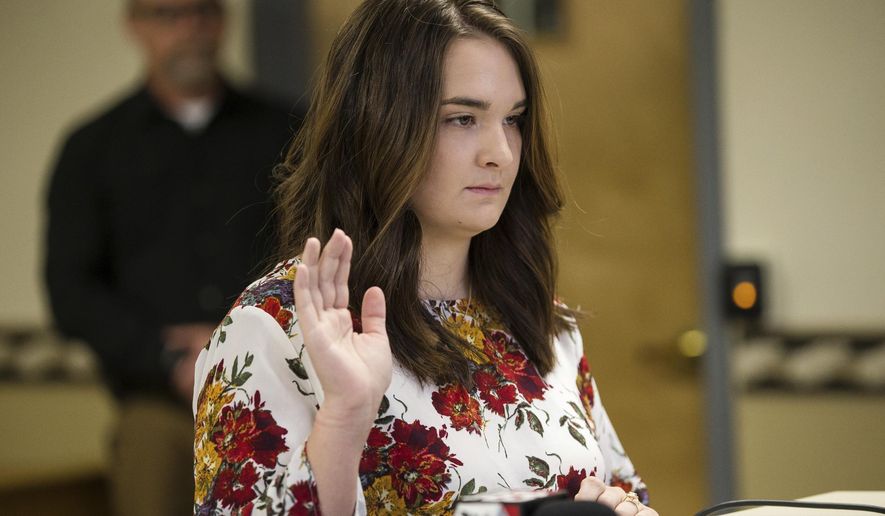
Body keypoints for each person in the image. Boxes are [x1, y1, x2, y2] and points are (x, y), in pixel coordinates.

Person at [192, 0, 656, 514]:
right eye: (462, 119)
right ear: (378, 125)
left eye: (514, 120)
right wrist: (345, 418)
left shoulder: (544, 320)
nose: (500, 152)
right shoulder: (274, 327)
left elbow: (627, 490)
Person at [44, 0, 296, 514]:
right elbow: (69, 288)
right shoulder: (92, 148)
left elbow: (322, 254)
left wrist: (235, 343)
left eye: (202, 13)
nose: (189, 30)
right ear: (135, 25)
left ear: (223, 21)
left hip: (276, 388)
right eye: (168, 15)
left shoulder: (289, 132)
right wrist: (169, 358)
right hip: (158, 400)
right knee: (149, 460)